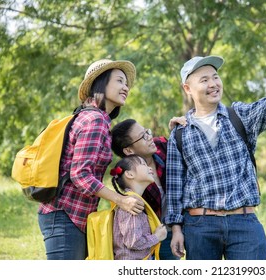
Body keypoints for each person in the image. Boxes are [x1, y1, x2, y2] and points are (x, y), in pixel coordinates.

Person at [164, 55, 266, 260]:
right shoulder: (180, 133)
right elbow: (174, 186)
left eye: (215, 77)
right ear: (188, 89)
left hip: (244, 225)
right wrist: (177, 229)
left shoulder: (240, 116)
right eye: (204, 80)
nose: (213, 84)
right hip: (200, 227)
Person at [38, 59, 144, 260]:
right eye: (119, 81)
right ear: (101, 83)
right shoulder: (94, 120)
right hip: (64, 215)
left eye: (126, 83)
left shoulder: (95, 118)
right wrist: (121, 200)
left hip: (73, 217)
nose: (126, 87)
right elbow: (80, 175)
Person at [111, 117, 186, 260]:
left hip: (178, 225)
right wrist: (157, 237)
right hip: (154, 235)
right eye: (143, 137)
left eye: (147, 132)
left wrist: (180, 128)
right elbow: (134, 238)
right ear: (128, 150)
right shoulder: (132, 183)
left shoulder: (162, 146)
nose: (149, 137)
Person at [110, 155, 167, 260]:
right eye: (143, 164)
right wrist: (157, 237)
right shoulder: (130, 204)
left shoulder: (134, 201)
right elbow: (133, 242)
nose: (149, 167)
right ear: (130, 174)